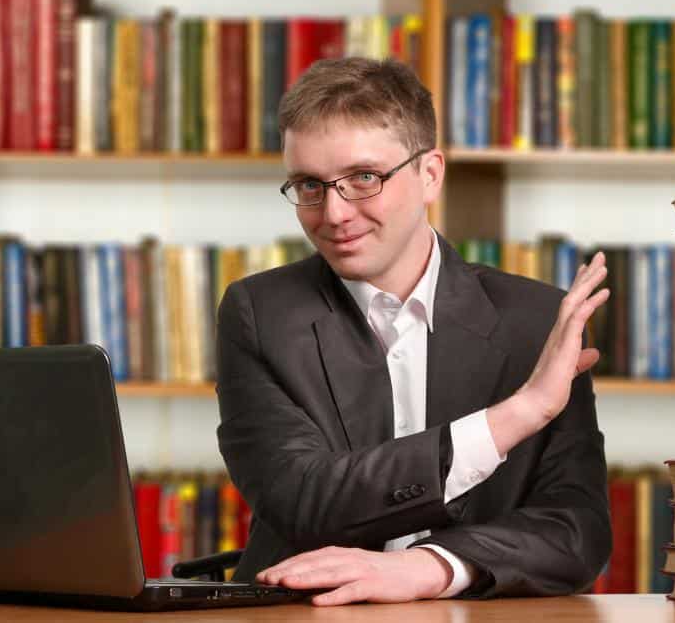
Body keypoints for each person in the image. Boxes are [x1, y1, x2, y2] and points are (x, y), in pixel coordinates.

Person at [215, 56, 611, 606]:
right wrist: (518, 415)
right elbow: (302, 499)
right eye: (309, 184)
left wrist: (430, 568)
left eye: (363, 178)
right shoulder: (258, 312)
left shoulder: (539, 321)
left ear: (430, 174)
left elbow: (577, 531)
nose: (333, 213)